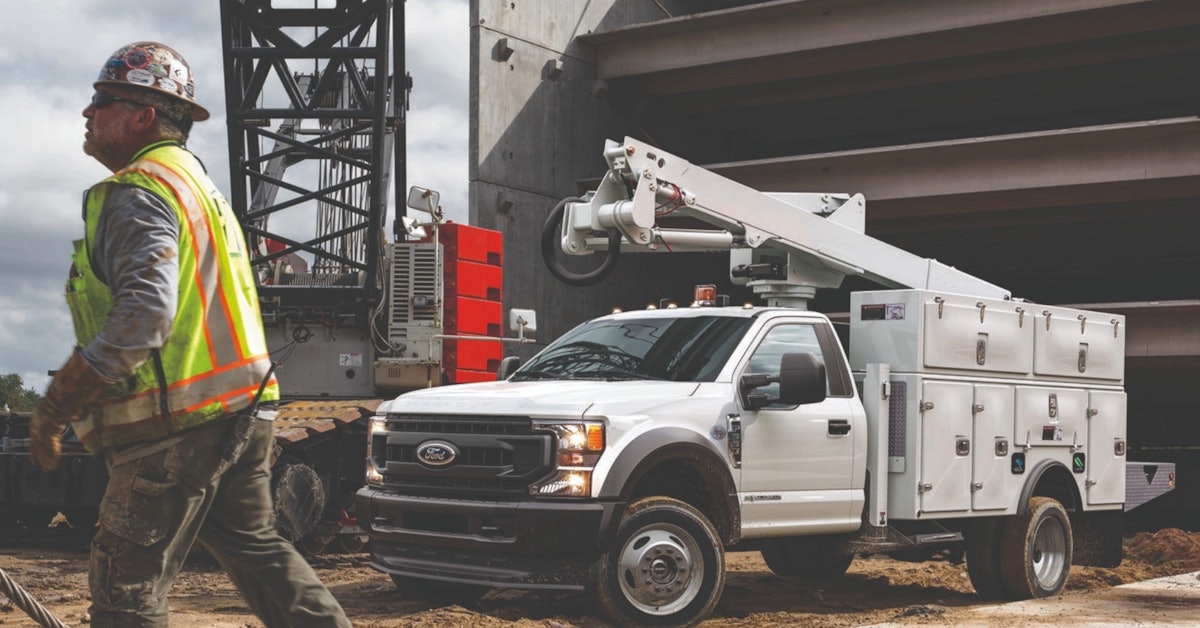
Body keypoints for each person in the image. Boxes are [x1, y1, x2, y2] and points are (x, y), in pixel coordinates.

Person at [27, 41, 351, 627]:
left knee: (126, 588)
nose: (87, 112)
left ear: (144, 115)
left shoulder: (137, 191)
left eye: (101, 100)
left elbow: (143, 316)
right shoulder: (197, 186)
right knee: (260, 553)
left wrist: (56, 405)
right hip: (241, 409)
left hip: (174, 424)